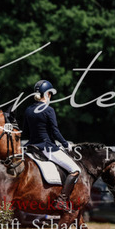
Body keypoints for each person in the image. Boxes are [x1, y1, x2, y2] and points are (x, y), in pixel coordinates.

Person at [22, 80, 80, 212]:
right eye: (50, 94)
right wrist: (65, 144)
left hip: (30, 147)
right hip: (47, 148)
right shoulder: (48, 110)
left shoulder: (28, 110)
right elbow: (55, 131)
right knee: (75, 170)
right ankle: (62, 200)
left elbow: (25, 131)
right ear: (47, 94)